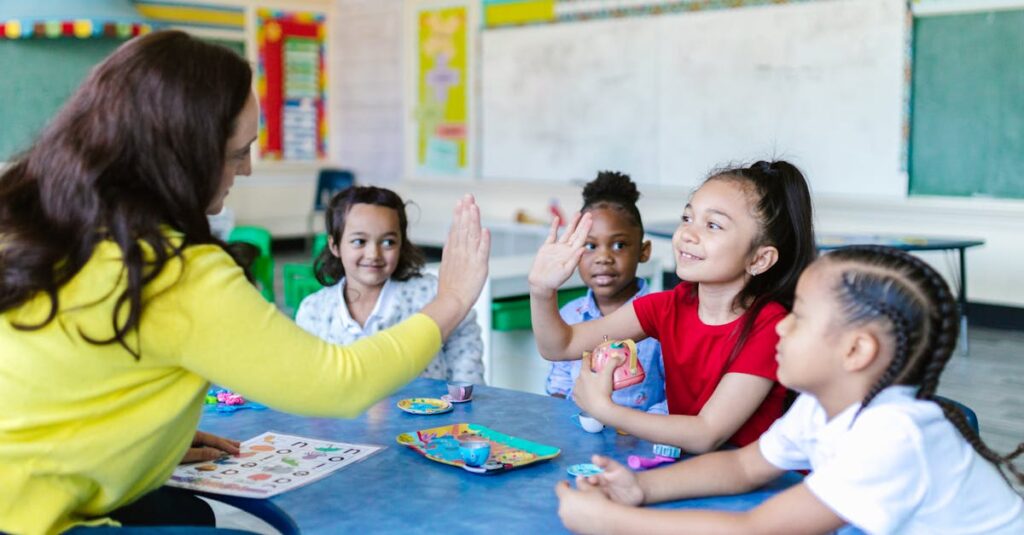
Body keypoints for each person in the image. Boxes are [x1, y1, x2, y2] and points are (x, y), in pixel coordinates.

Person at [0, 30, 490, 534]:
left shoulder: (40, 220)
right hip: (25, 519)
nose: (249, 169)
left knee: (184, 511)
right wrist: (451, 298)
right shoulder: (170, 269)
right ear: (181, 154)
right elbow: (341, 383)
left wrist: (141, 439)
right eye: (238, 153)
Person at [555, 245, 1024, 535]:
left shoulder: (893, 434)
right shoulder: (822, 408)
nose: (780, 329)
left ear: (856, 350)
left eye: (798, 317)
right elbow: (743, 467)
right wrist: (640, 488)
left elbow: (757, 529)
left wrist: (616, 525)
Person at [529, 161, 816, 452]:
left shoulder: (771, 327)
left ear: (759, 259)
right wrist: (542, 290)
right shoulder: (669, 305)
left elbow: (707, 433)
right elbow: (561, 346)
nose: (687, 234)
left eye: (713, 225)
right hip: (688, 469)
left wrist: (606, 410)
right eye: (687, 218)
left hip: (750, 486)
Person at [296, 185, 484, 383]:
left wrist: (465, 405)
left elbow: (466, 353)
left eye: (388, 242)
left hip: (428, 413)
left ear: (402, 243)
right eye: (359, 241)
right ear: (335, 246)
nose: (373, 254)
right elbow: (307, 382)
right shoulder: (314, 311)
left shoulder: (433, 294)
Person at [544, 171, 665, 413]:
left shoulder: (663, 318)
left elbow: (676, 399)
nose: (603, 258)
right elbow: (559, 389)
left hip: (640, 440)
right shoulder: (570, 315)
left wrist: (643, 430)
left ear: (644, 251)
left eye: (619, 245)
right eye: (590, 246)